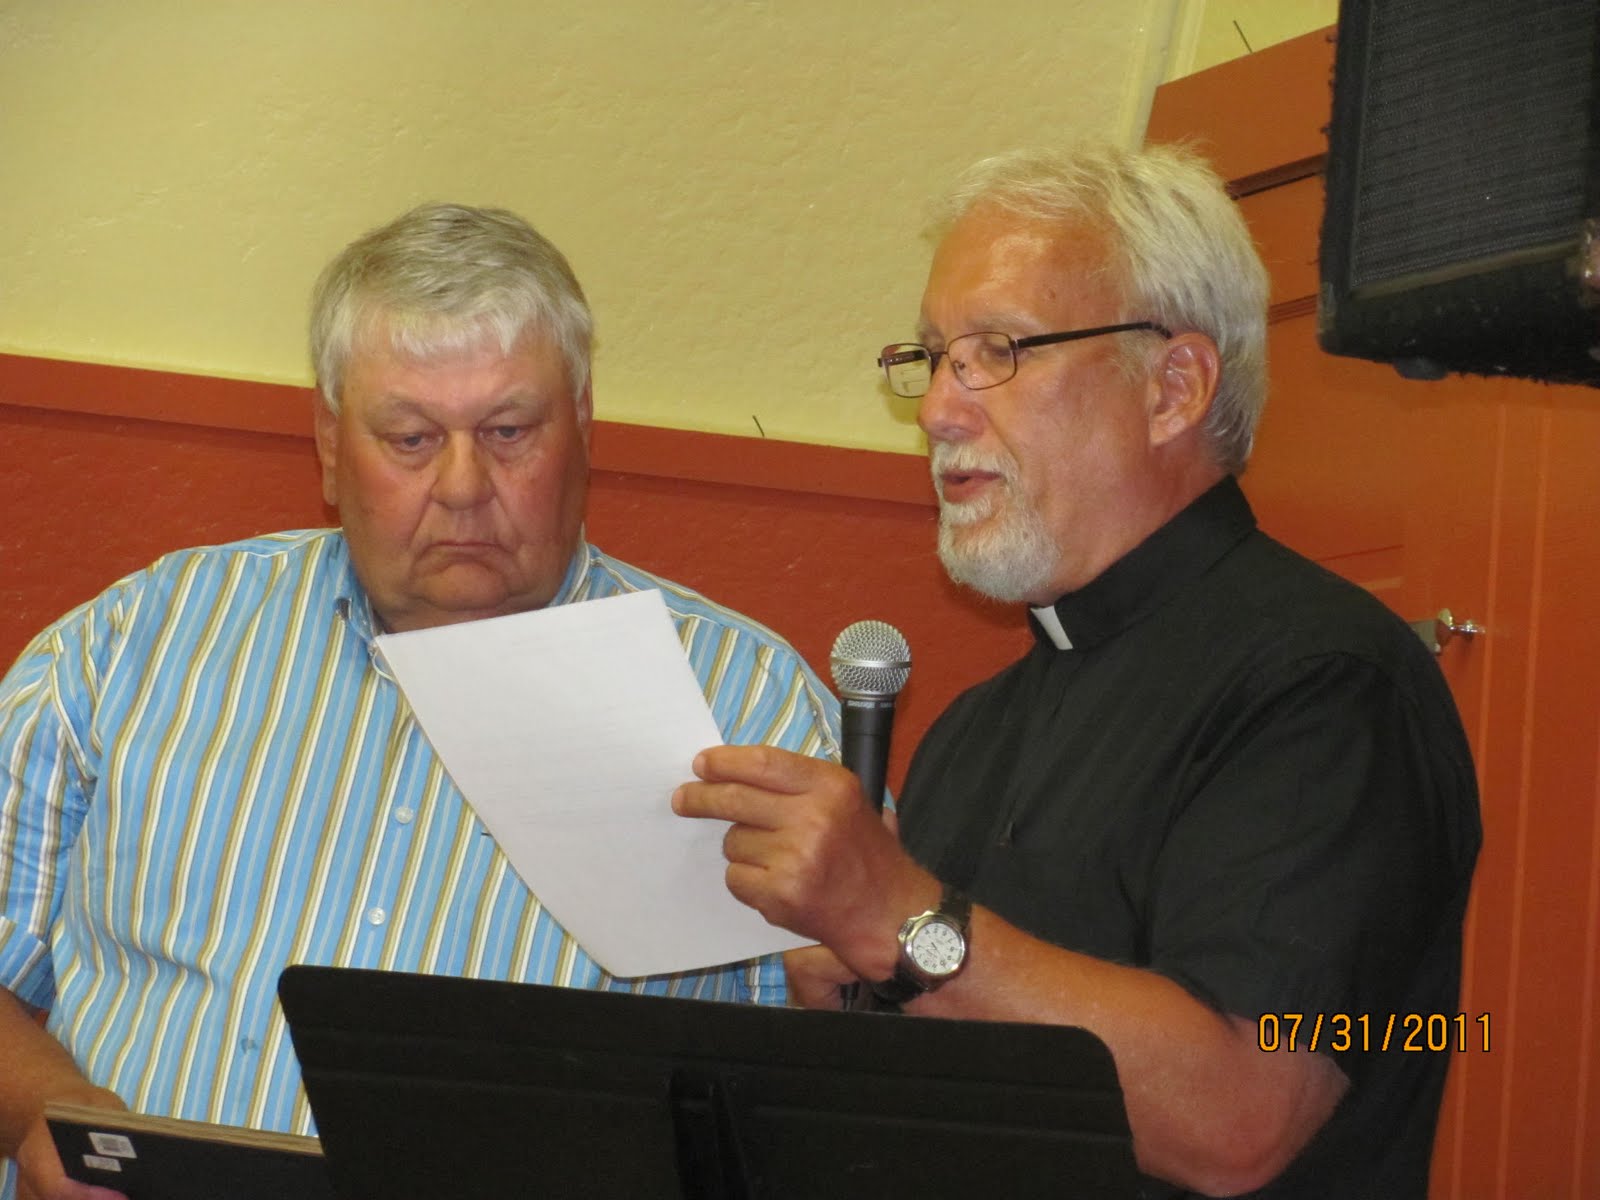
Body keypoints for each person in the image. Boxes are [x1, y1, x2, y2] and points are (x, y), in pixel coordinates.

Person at [673, 142, 1481, 1198]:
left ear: (1172, 387)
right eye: (933, 358)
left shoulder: (1329, 685)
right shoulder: (974, 725)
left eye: (998, 351)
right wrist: (861, 1000)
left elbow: (1239, 1115)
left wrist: (900, 920)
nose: (938, 409)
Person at [0, 202, 840, 1200]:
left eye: (508, 432)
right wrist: (45, 1112)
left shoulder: (747, 704)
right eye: (409, 437)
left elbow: (824, 1096)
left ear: (584, 426)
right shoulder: (139, 642)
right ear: (327, 442)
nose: (462, 484)